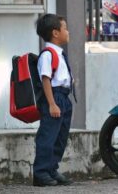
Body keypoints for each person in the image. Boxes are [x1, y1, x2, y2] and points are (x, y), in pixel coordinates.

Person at [33, 14, 74, 187]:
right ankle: (40, 173)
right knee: (48, 136)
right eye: (65, 28)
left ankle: (51, 169)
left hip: (63, 97)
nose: (68, 31)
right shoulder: (48, 55)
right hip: (54, 98)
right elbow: (46, 80)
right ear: (55, 33)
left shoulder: (59, 53)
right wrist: (51, 104)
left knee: (60, 137)